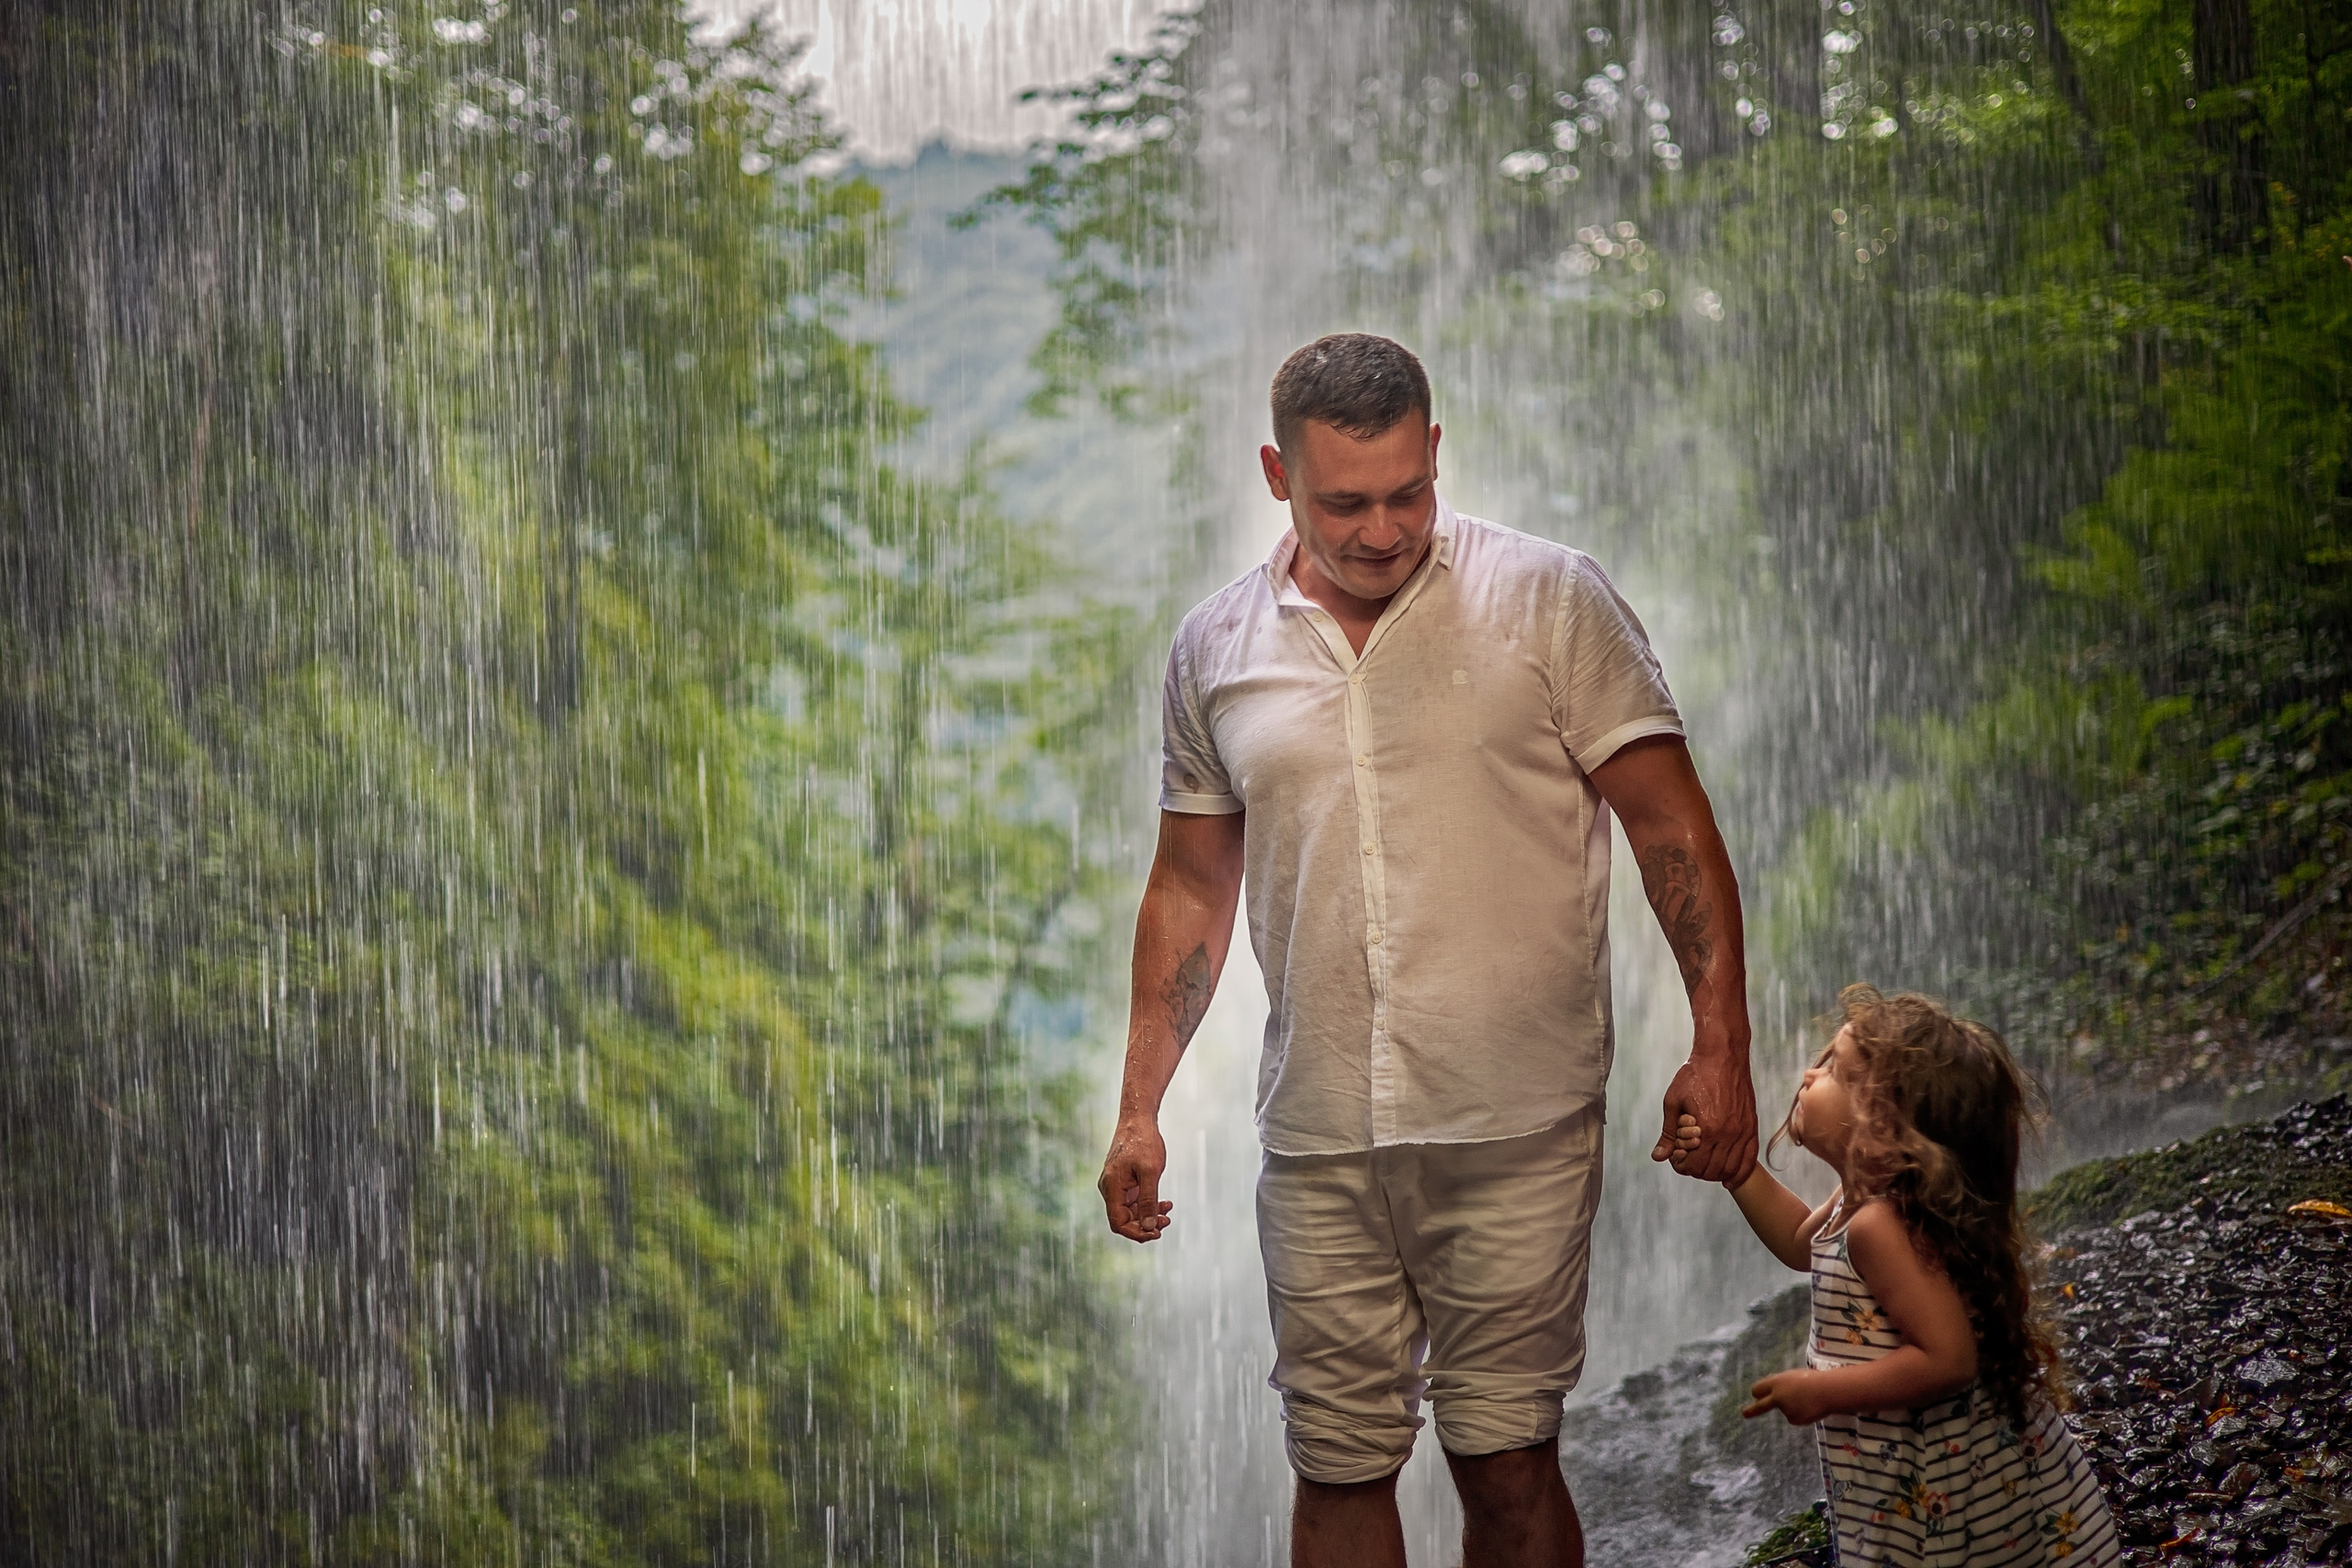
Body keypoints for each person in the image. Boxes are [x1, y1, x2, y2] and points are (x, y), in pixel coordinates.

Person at [1097, 332, 1758, 1568]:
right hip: (1319, 1129)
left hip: (1518, 1117)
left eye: (1410, 489)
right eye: (1347, 500)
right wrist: (1140, 1106)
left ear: (1437, 450)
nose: (1385, 525)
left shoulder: (1552, 597)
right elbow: (1188, 885)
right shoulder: (1215, 648)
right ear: (1276, 474)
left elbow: (1672, 825)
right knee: (1337, 1464)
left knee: (1507, 1461)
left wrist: (1721, 1043)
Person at [1681, 985, 2122, 1567]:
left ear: (1886, 1130)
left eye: (1835, 1070)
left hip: (1943, 1481)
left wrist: (1820, 1392)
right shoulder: (1862, 1202)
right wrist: (1736, 1170)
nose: (1810, 1077)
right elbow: (1798, 1243)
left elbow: (1949, 1360)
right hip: (1916, 1465)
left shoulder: (1879, 1226)